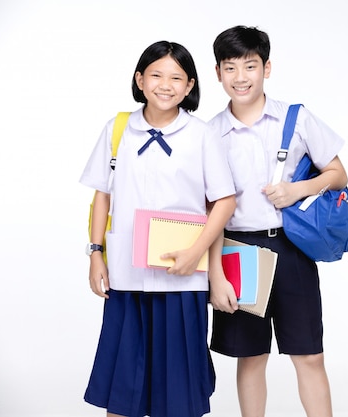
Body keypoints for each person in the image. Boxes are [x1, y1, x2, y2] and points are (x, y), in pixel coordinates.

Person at [80, 40, 236, 417]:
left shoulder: (201, 135)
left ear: (190, 86)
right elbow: (103, 196)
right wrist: (95, 254)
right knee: (122, 385)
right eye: (156, 75)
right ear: (140, 79)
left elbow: (224, 201)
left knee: (179, 390)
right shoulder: (118, 129)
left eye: (176, 78)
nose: (165, 85)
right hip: (126, 276)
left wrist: (196, 253)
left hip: (182, 278)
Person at [206, 25, 348, 417]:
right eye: (230, 68)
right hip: (236, 250)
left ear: (266, 68)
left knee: (309, 354)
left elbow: (338, 174)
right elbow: (206, 209)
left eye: (249, 66)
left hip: (290, 249)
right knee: (250, 357)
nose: (240, 77)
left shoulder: (296, 118)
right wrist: (215, 274)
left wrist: (297, 191)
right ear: (217, 73)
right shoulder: (209, 133)